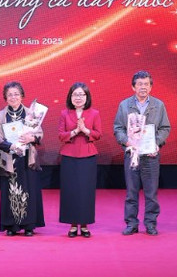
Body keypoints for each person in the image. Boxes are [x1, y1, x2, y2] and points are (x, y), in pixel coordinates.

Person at [113, 70, 171, 236]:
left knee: (151, 194)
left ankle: (150, 224)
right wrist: (127, 142)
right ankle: (131, 224)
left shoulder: (159, 105)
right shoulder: (124, 105)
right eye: (140, 84)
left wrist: (155, 143)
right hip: (132, 155)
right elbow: (118, 128)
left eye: (146, 84)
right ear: (133, 87)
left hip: (151, 156)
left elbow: (165, 128)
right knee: (131, 193)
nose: (143, 87)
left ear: (151, 87)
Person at [0, 81, 45, 236]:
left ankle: (29, 225)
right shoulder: (1, 115)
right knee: (10, 190)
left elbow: (39, 133)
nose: (13, 97)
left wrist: (31, 138)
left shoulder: (30, 114)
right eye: (9, 95)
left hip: (27, 158)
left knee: (29, 189)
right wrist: (10, 146)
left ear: (22, 96)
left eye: (16, 94)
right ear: (5, 97)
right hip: (9, 158)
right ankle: (11, 226)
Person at [58, 82, 102, 238]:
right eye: (75, 94)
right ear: (70, 97)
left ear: (87, 97)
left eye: (81, 94)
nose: (78, 97)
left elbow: (98, 134)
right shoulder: (64, 113)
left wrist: (85, 130)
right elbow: (61, 135)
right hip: (69, 155)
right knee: (70, 190)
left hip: (88, 156)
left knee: (85, 191)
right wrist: (76, 131)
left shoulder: (94, 113)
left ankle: (84, 225)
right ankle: (72, 225)